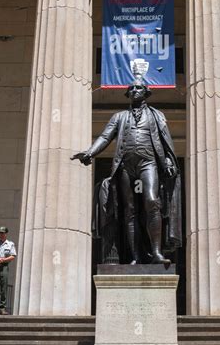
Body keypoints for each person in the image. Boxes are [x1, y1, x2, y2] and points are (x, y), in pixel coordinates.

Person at [72, 80, 181, 265]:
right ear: (128, 94)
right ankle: (135, 256)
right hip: (125, 165)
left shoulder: (157, 116)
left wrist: (169, 160)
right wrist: (90, 152)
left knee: (152, 201)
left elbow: (165, 141)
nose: (134, 90)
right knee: (129, 210)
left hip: (149, 162)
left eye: (139, 88)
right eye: (131, 88)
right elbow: (106, 136)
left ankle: (156, 253)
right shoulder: (119, 117)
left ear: (146, 93)